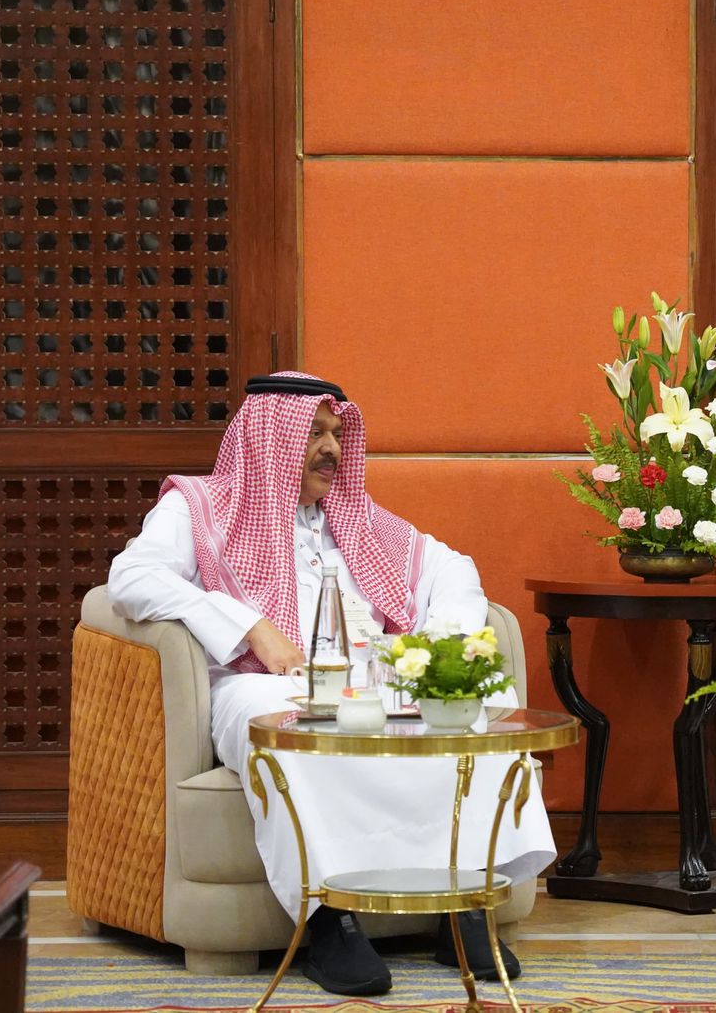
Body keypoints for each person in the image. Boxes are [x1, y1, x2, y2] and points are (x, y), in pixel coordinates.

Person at [107, 371, 554, 997]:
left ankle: (465, 906)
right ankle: (328, 919)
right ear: (271, 437)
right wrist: (251, 627)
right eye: (315, 433)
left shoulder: (357, 519)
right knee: (294, 718)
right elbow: (131, 578)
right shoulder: (200, 506)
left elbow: (455, 570)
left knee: (468, 703)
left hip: (370, 681)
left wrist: (431, 650)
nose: (332, 449)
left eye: (338, 434)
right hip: (258, 682)